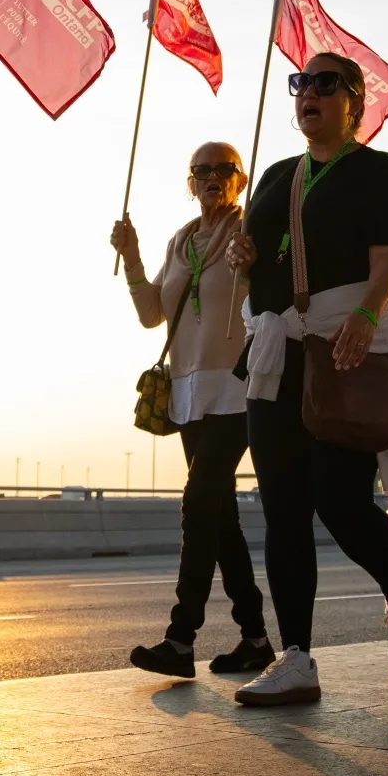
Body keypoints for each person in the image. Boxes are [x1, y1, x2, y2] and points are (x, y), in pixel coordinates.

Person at [224, 52, 388, 706]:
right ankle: (296, 657)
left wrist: (369, 314)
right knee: (281, 508)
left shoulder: (379, 171)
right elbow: (256, 263)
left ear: (353, 99)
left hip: (341, 346)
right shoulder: (276, 178)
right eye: (300, 84)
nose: (308, 92)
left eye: (323, 83)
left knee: (340, 502)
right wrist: (243, 255)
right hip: (276, 357)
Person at [111, 143, 273, 677]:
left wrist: (253, 269)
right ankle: (254, 638)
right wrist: (132, 257)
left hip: (236, 389)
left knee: (198, 504)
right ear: (190, 181)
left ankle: (181, 639)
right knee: (220, 517)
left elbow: (270, 302)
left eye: (223, 170)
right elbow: (150, 313)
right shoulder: (182, 240)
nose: (211, 178)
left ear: (240, 178)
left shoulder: (251, 229)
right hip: (187, 393)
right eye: (201, 171)